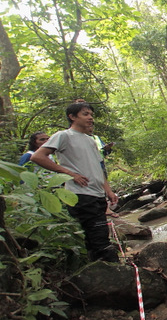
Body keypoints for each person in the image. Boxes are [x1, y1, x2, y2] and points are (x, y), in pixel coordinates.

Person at [31, 102, 119, 262]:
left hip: (97, 194)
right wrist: (70, 174)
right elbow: (37, 157)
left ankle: (98, 268)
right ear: (72, 117)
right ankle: (114, 269)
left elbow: (98, 167)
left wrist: (109, 191)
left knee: (95, 239)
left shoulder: (90, 140)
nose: (90, 118)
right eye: (85, 114)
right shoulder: (63, 136)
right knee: (100, 240)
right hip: (81, 194)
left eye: (91, 114)